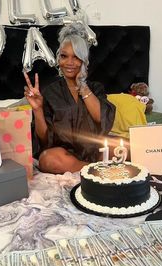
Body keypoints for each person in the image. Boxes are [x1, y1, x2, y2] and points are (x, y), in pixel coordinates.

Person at [24, 22, 115, 174]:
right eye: (64, 56)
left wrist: (82, 86)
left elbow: (102, 118)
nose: (70, 63)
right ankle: (92, 170)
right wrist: (38, 110)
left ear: (84, 61)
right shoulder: (50, 92)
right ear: (59, 59)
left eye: (76, 57)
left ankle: (93, 167)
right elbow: (44, 140)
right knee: (47, 159)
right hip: (65, 155)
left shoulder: (95, 88)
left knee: (128, 146)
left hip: (97, 151)